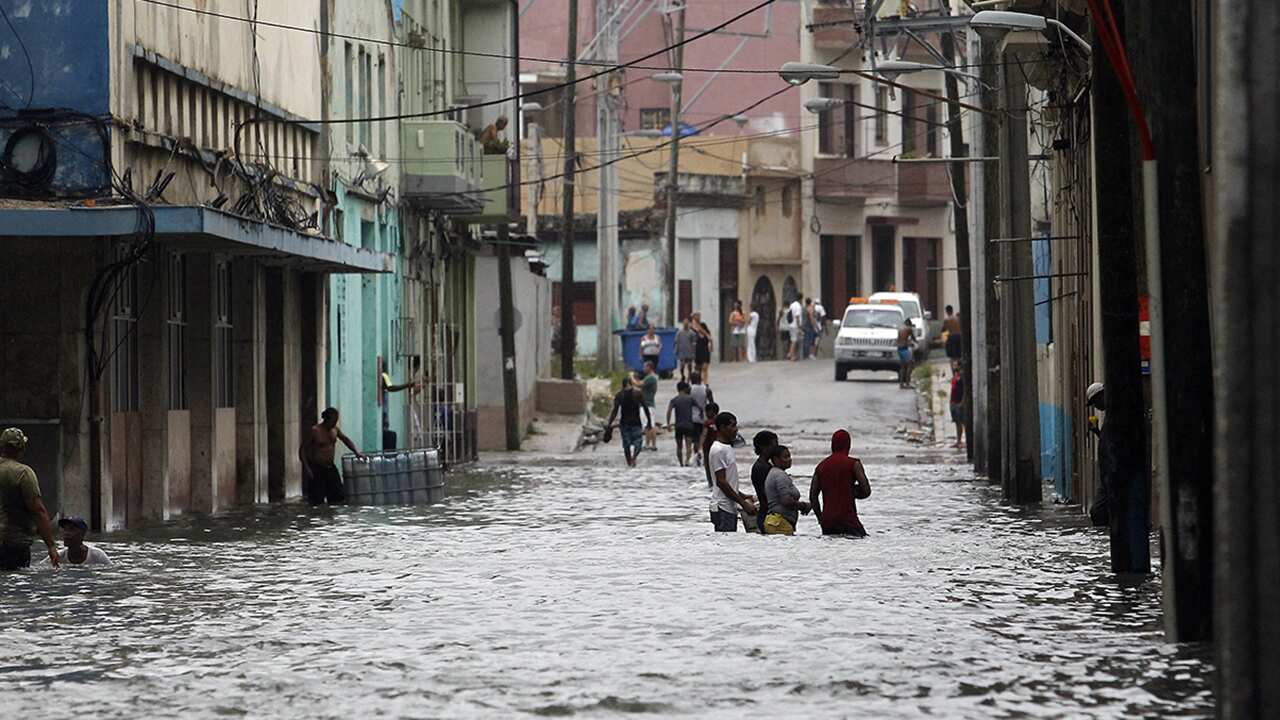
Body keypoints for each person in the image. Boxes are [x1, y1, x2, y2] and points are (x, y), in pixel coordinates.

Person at [0, 428, 60, 570]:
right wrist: (51, 546)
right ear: (22, 448)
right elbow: (38, 511)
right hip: (13, 544)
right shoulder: (23, 473)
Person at [810, 429, 872, 536]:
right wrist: (852, 492)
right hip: (848, 520)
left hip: (828, 522)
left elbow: (812, 496)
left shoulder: (821, 466)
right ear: (848, 445)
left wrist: (821, 519)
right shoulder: (854, 464)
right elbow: (866, 491)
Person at [300, 408, 365, 505]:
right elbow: (302, 450)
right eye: (333, 421)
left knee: (338, 498)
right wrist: (307, 468)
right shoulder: (315, 431)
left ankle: (331, 517)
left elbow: (345, 440)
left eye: (336, 421)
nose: (334, 423)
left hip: (330, 467)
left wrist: (356, 452)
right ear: (326, 419)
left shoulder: (335, 430)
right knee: (317, 501)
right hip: (317, 468)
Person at [707, 412, 756, 532]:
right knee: (725, 545)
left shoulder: (727, 448)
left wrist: (743, 496)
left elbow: (729, 481)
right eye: (732, 426)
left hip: (729, 506)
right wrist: (743, 503)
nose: (736, 429)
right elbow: (721, 482)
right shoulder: (718, 450)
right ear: (722, 428)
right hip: (723, 507)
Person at [763, 445, 810, 535]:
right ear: (776, 459)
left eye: (789, 456)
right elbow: (786, 501)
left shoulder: (774, 473)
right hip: (780, 524)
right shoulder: (780, 475)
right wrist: (803, 506)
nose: (789, 459)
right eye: (785, 457)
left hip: (776, 522)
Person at [1086, 382, 1113, 527]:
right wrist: (1097, 431)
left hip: (1111, 475)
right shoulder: (1109, 417)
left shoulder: (1114, 416)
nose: (1095, 407)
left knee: (1097, 511)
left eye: (1094, 402)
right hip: (1107, 476)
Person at [606, 385, 651, 467]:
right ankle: (634, 458)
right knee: (638, 443)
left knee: (626, 446)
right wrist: (649, 422)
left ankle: (629, 464)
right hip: (636, 424)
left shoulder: (620, 395)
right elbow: (645, 408)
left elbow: (615, 410)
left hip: (624, 424)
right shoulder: (637, 394)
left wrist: (609, 423)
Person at [749, 430, 779, 534]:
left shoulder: (762, 465)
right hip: (767, 515)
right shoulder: (763, 468)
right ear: (763, 447)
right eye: (774, 445)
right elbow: (767, 494)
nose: (777, 449)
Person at [666, 382, 699, 467]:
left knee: (679, 446)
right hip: (688, 425)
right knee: (688, 445)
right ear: (685, 389)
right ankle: (687, 461)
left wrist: (668, 424)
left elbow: (669, 411)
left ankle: (681, 463)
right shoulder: (690, 399)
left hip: (678, 426)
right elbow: (700, 408)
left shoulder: (674, 399)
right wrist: (700, 417)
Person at [688, 372, 714, 465]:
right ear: (701, 379)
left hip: (692, 417)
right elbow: (711, 404)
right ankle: (705, 457)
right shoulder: (707, 389)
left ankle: (696, 455)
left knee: (695, 439)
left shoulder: (689, 389)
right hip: (704, 417)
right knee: (703, 438)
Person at [636, 361, 660, 450]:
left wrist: (631, 378)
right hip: (647, 404)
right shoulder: (650, 378)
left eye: (645, 367)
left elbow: (638, 384)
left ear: (649, 368)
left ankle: (652, 444)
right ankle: (648, 444)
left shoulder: (650, 378)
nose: (643, 369)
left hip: (648, 404)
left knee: (650, 424)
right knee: (648, 425)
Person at [700, 401, 721, 486]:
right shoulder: (720, 421)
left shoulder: (707, 423)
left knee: (708, 467)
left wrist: (699, 447)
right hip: (719, 448)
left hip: (708, 448)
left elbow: (704, 435)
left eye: (706, 412)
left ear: (711, 411)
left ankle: (710, 484)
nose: (706, 414)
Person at [949, 360, 967, 450]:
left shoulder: (962, 376)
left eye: (955, 365)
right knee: (957, 422)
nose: (953, 366)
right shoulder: (955, 376)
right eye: (953, 365)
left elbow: (964, 389)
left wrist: (963, 402)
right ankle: (958, 441)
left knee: (962, 422)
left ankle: (963, 441)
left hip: (959, 402)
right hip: (953, 401)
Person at [896, 317, 917, 388]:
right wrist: (914, 343)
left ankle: (901, 384)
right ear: (909, 324)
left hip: (899, 348)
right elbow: (913, 338)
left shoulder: (900, 328)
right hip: (904, 348)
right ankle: (908, 383)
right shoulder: (909, 329)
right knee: (910, 364)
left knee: (903, 366)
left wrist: (908, 343)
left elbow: (900, 339)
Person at [786, 296, 803, 361]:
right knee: (794, 341)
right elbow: (797, 316)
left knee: (793, 340)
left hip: (791, 324)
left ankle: (791, 353)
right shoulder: (798, 306)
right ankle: (791, 355)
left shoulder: (792, 305)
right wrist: (799, 327)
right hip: (795, 325)